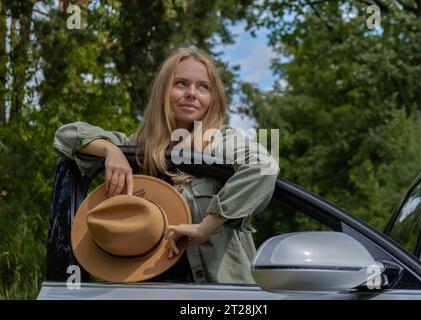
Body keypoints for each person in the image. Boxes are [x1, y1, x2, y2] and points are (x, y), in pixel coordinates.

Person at [53, 46, 279, 284]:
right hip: (140, 289)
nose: (192, 93)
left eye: (203, 87)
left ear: (213, 97)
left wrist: (204, 228)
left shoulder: (219, 143)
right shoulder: (138, 149)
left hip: (214, 292)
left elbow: (263, 167)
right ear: (163, 90)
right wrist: (111, 150)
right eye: (181, 83)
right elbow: (65, 135)